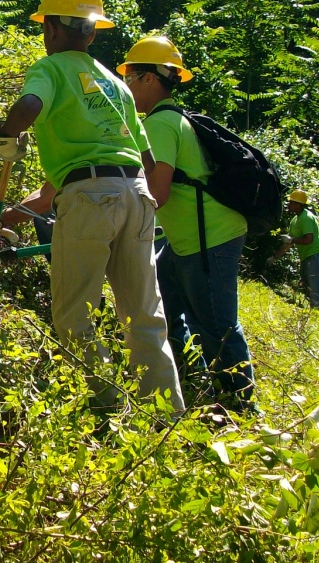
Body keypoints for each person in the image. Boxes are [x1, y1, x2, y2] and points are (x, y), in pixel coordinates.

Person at [0, 0, 183, 416]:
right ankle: (167, 418)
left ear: (51, 28)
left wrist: (6, 131)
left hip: (89, 195)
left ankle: (109, 410)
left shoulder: (50, 68)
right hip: (137, 195)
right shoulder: (115, 82)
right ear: (93, 31)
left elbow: (30, 108)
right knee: (145, 319)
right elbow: (149, 161)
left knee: (75, 315)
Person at [119, 35, 256, 410]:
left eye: (130, 76)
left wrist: (118, 223)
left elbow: (157, 193)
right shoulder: (172, 119)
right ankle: (190, 379)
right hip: (188, 240)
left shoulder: (161, 125)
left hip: (208, 238)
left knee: (215, 324)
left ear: (150, 80)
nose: (126, 84)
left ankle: (242, 406)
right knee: (164, 305)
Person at [273, 190, 319, 311]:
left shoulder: (306, 217)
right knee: (307, 283)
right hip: (308, 256)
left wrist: (292, 240)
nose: (288, 204)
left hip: (316, 254)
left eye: (291, 202)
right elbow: (290, 243)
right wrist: (274, 258)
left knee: (315, 283)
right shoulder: (295, 220)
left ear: (298, 205)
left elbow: (309, 239)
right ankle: (314, 310)